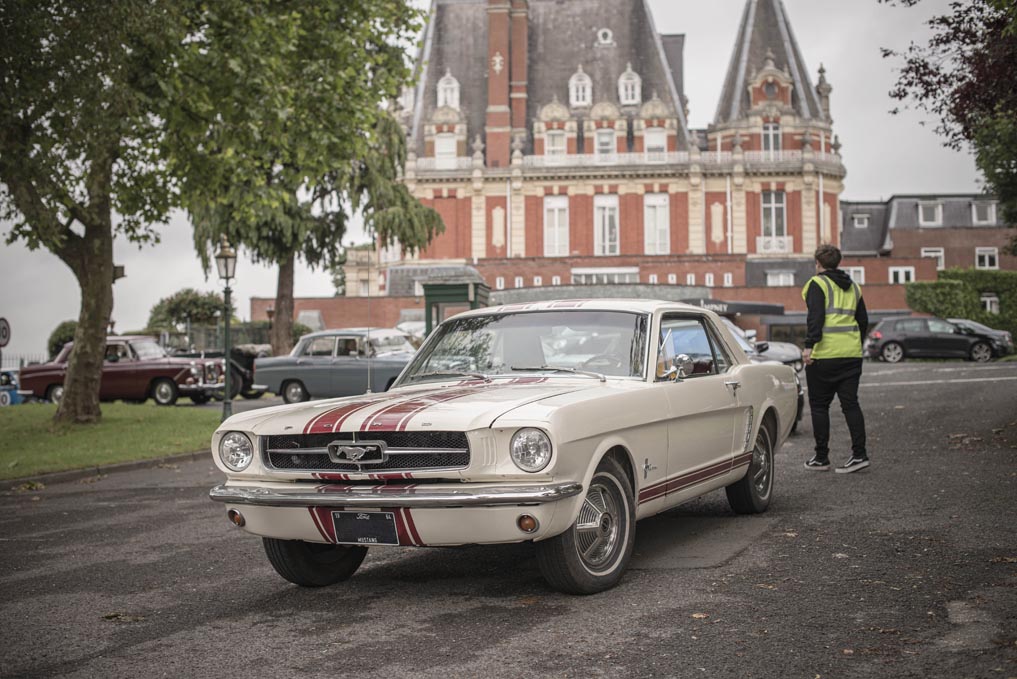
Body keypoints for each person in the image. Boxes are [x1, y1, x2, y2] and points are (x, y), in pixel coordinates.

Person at [801, 244, 870, 473]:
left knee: (819, 406)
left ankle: (821, 458)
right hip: (851, 354)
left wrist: (809, 345)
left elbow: (816, 317)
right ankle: (859, 455)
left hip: (825, 355)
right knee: (851, 404)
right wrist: (854, 344)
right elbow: (863, 321)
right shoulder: (854, 287)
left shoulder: (816, 283)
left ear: (818, 263)